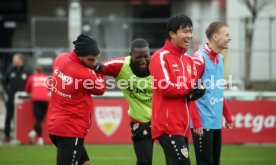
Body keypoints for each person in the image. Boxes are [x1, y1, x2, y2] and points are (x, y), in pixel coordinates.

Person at [47, 34, 106, 165]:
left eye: (96, 59)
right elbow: (101, 89)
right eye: (91, 60)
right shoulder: (84, 74)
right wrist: (99, 72)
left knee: (85, 163)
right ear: (80, 55)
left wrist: (90, 66)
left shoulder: (60, 58)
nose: (94, 63)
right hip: (70, 129)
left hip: (55, 127)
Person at [149, 14, 200, 165]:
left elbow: (191, 90)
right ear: (172, 34)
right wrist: (191, 87)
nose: (189, 35)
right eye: (185, 31)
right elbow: (167, 88)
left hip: (182, 126)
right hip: (168, 125)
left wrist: (196, 91)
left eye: (191, 31)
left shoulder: (188, 60)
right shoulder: (160, 57)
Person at [102, 38, 153, 165]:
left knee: (177, 159)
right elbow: (96, 67)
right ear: (131, 56)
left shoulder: (159, 64)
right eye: (138, 57)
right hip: (140, 120)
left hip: (164, 119)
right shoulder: (120, 66)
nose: (143, 61)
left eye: (146, 56)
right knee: (144, 161)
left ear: (150, 54)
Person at [190, 22, 234, 165]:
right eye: (227, 34)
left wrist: (227, 115)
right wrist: (196, 122)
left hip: (215, 122)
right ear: (215, 37)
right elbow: (190, 93)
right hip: (202, 123)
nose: (230, 38)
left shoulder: (220, 58)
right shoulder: (199, 59)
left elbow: (218, 90)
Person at [2, 53, 31, 143]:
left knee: (24, 117)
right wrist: (8, 92)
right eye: (13, 60)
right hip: (11, 99)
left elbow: (30, 83)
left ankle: (24, 135)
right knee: (9, 116)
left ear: (20, 60)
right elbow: (4, 82)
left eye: (15, 60)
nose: (14, 61)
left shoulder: (27, 71)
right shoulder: (10, 70)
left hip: (23, 99)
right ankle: (7, 135)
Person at [25, 66, 49, 145]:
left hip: (36, 100)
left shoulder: (32, 77)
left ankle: (32, 133)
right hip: (45, 100)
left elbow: (27, 89)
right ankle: (40, 139)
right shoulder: (46, 77)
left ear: (35, 71)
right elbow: (49, 88)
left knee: (38, 120)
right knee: (40, 120)